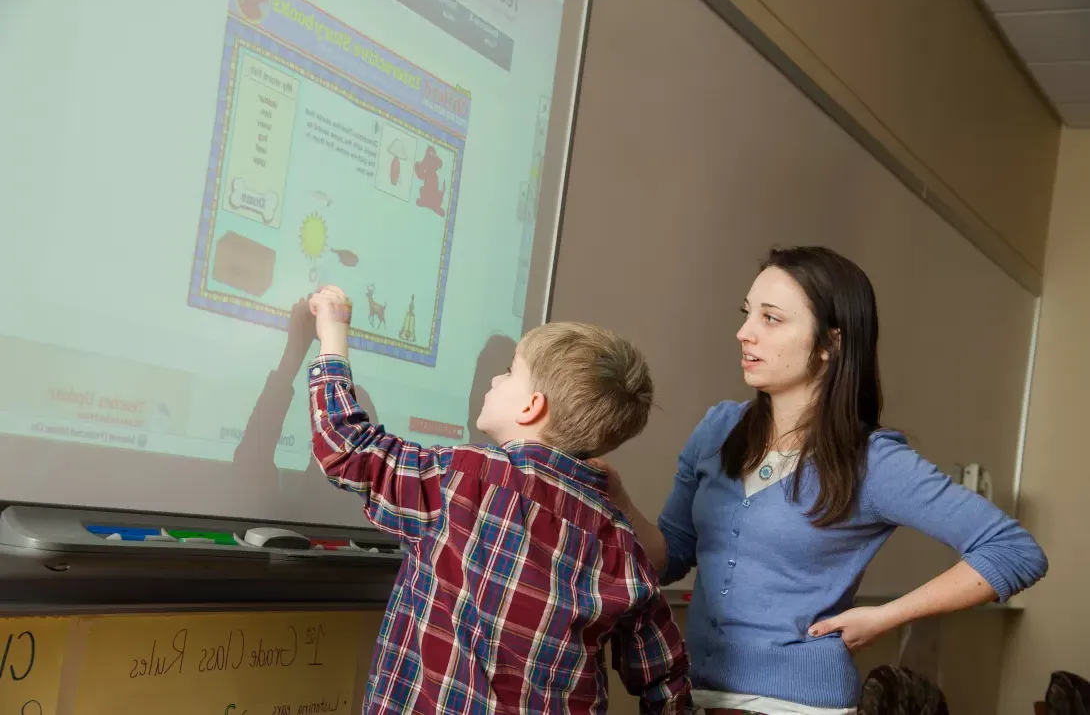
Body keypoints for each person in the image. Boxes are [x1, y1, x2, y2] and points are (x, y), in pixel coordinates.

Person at [599, 246, 1048, 715]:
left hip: (800, 704)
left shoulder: (874, 461)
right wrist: (619, 499)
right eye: (747, 313)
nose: (744, 333)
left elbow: (1014, 551)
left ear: (830, 343)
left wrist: (886, 617)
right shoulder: (717, 428)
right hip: (692, 693)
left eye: (771, 319)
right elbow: (669, 557)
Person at [306, 285, 692, 715]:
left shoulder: (462, 480)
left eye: (509, 372)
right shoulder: (623, 547)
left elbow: (345, 446)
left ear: (531, 407)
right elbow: (666, 680)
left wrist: (333, 335)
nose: (495, 378)